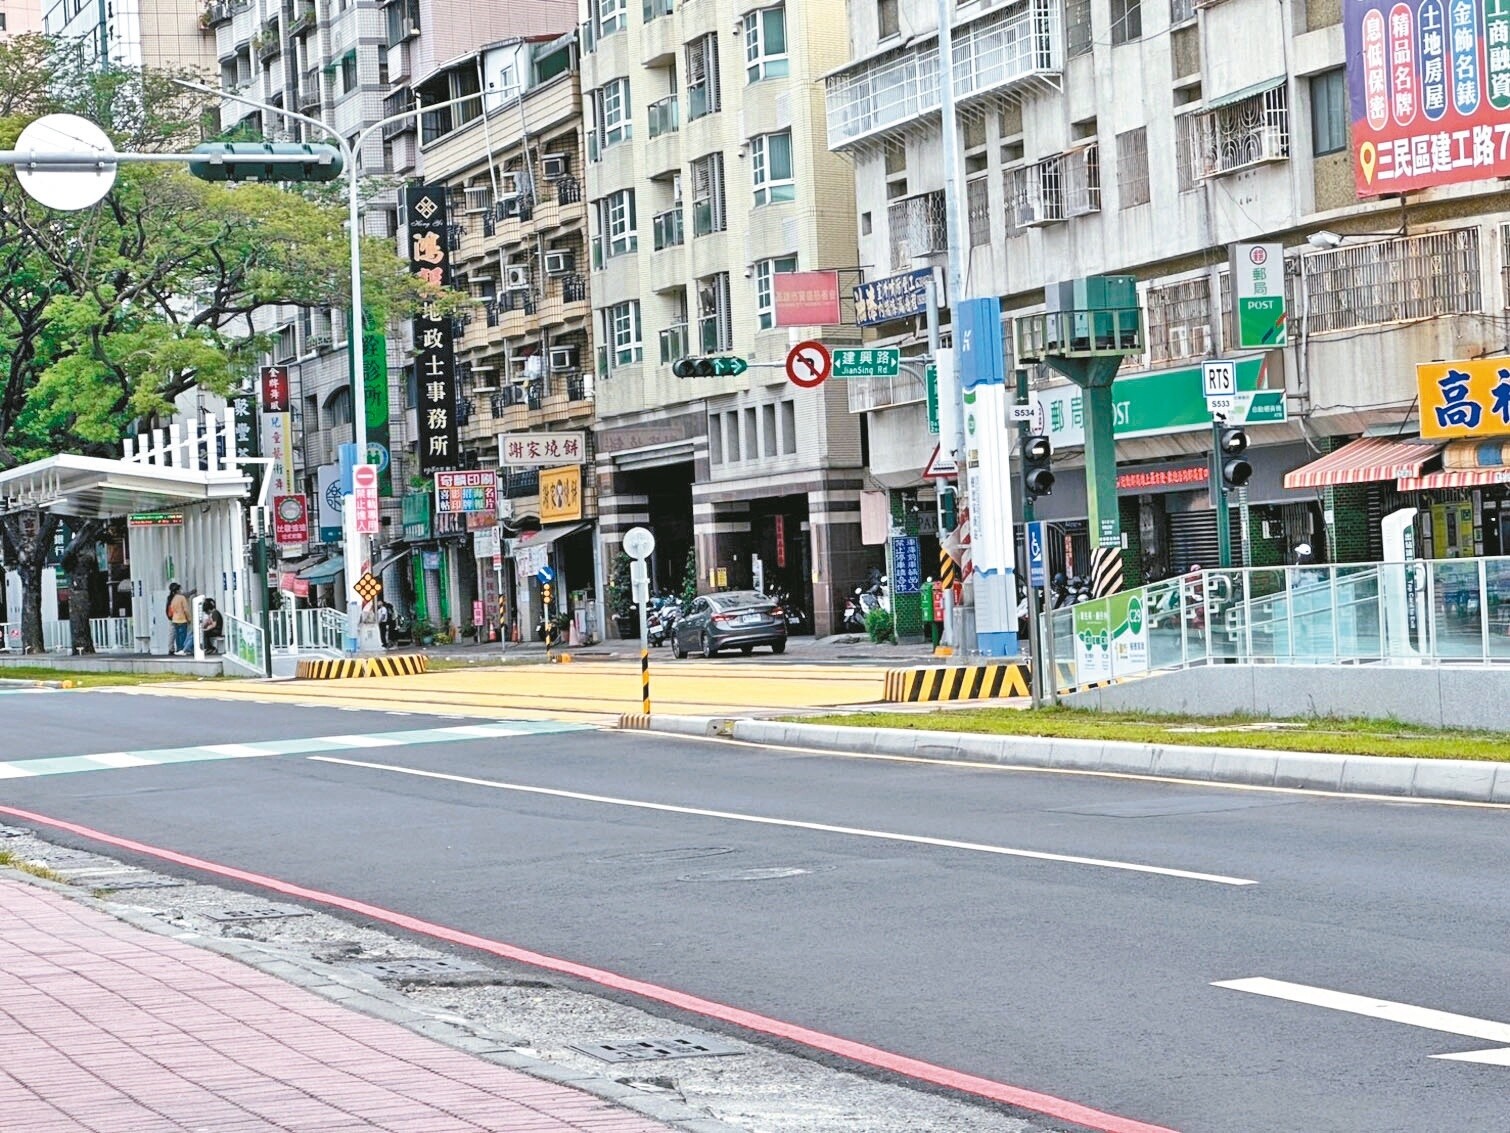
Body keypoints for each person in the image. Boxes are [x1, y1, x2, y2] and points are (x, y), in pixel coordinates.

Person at [166, 582, 191, 655]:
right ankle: (182, 649)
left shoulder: (172, 598)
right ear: (178, 590)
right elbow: (186, 609)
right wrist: (189, 618)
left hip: (174, 619)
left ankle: (178, 649)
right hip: (182, 619)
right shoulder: (182, 598)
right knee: (183, 635)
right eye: (180, 589)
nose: (181, 590)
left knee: (177, 635)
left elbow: (172, 609)